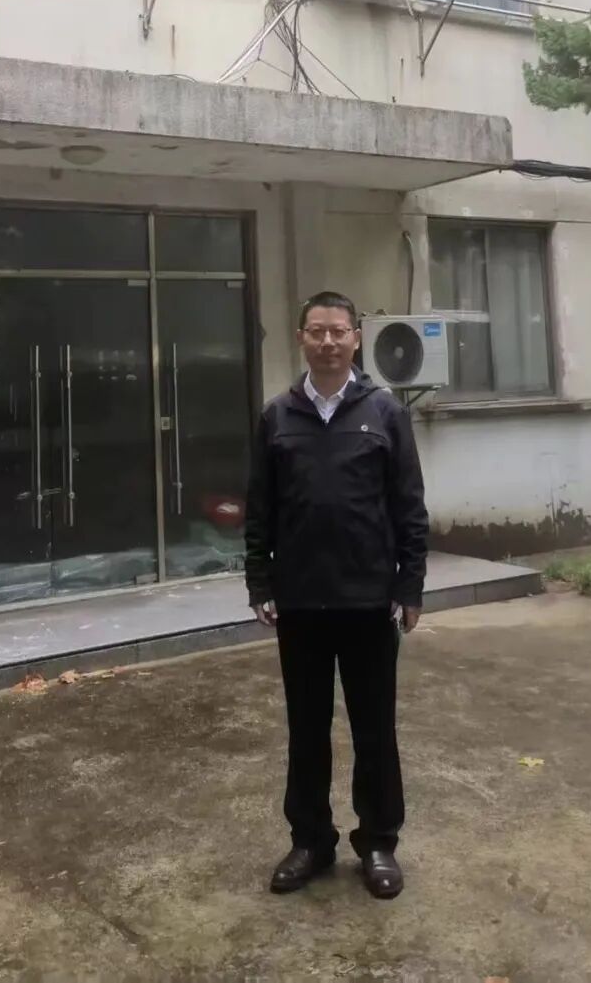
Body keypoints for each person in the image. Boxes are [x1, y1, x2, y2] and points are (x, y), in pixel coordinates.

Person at [245, 290, 428, 901]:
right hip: (300, 602)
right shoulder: (277, 416)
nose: (328, 342)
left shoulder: (385, 412)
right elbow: (260, 509)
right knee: (306, 729)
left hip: (369, 602)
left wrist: (409, 584)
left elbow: (409, 506)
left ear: (356, 338)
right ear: (301, 337)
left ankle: (378, 841)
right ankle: (311, 841)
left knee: (375, 729)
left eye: (338, 332)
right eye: (317, 331)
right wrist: (260, 580)